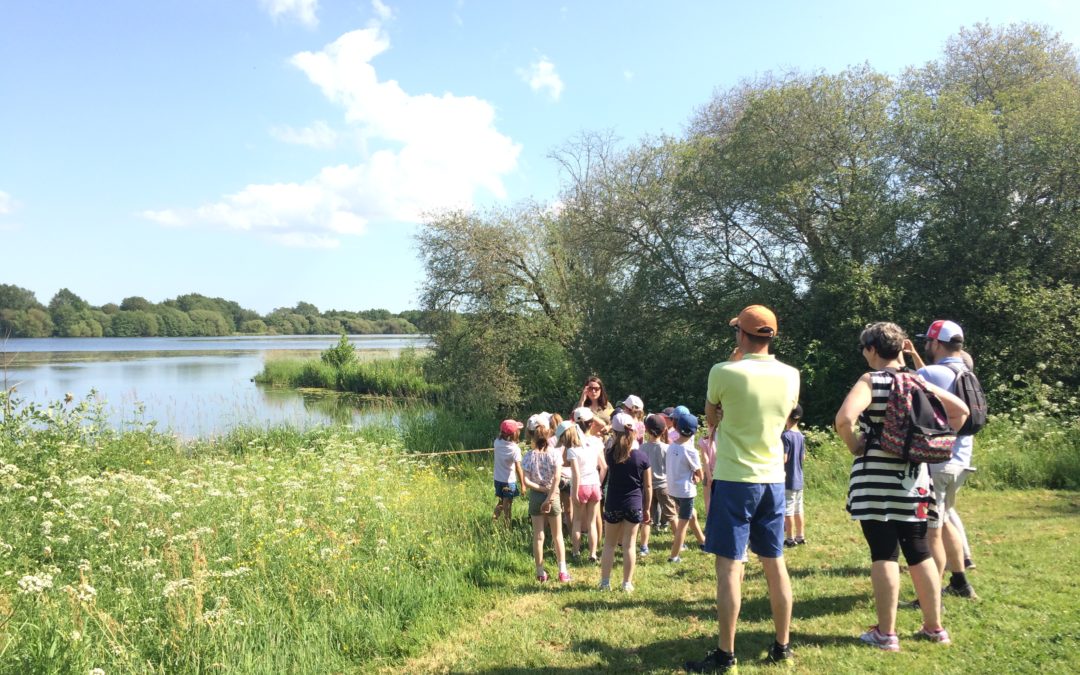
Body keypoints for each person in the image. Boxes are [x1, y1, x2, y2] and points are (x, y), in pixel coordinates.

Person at [836, 321, 970, 653]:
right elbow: (961, 412)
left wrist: (856, 445)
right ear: (900, 348)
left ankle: (886, 633)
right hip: (915, 480)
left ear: (871, 349)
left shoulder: (871, 380)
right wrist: (933, 438)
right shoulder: (917, 381)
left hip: (875, 482)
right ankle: (934, 627)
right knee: (919, 551)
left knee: (883, 553)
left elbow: (844, 419)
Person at [689, 305, 799, 672]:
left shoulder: (723, 371)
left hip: (736, 479)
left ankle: (725, 654)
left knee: (730, 568)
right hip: (773, 479)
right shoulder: (791, 375)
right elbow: (784, 420)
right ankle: (782, 646)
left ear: (741, 335)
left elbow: (710, 417)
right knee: (775, 564)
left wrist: (734, 361)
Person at [905, 319, 978, 598]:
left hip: (937, 461)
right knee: (945, 519)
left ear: (936, 343)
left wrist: (901, 356)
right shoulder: (966, 372)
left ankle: (930, 597)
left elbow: (903, 379)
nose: (926, 344)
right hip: (961, 460)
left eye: (928, 341)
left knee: (929, 530)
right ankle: (960, 582)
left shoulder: (933, 373)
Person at [598, 412, 652, 592]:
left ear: (614, 431)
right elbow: (648, 487)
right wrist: (647, 508)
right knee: (629, 545)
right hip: (634, 505)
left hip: (613, 503)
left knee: (609, 544)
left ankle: (605, 583)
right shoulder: (642, 457)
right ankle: (627, 583)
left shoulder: (609, 454)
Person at [522, 423, 571, 583]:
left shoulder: (529, 456)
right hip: (553, 495)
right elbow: (557, 477)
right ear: (549, 436)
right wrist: (549, 494)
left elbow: (526, 481)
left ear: (534, 437)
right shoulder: (554, 454)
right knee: (558, 535)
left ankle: (540, 572)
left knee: (538, 535)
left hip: (536, 496)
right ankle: (562, 571)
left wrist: (541, 490)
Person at [666, 412, 706, 563]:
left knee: (692, 515)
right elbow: (700, 474)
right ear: (694, 431)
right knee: (682, 524)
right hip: (686, 492)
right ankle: (674, 556)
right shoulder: (691, 451)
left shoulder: (671, 447)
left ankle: (703, 542)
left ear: (676, 428)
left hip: (673, 490)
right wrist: (697, 476)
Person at [569, 407, 607, 562]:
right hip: (594, 484)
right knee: (592, 522)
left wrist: (574, 492)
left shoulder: (573, 446)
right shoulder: (597, 442)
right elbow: (604, 467)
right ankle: (593, 554)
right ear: (591, 424)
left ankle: (576, 552)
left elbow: (576, 473)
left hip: (580, 486)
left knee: (577, 521)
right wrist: (599, 483)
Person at [638, 413, 676, 556]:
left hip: (647, 487)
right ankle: (680, 541)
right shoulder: (668, 449)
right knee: (672, 515)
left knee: (647, 518)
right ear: (664, 430)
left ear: (647, 430)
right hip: (664, 486)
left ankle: (644, 546)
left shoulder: (642, 448)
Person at [493, 419, 526, 527]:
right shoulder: (515, 449)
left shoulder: (496, 443)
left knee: (501, 502)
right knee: (508, 507)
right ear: (514, 434)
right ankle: (507, 528)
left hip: (498, 480)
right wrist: (523, 485)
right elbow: (518, 468)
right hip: (509, 482)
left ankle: (494, 519)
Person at [782, 404, 807, 547]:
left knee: (788, 510)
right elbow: (803, 457)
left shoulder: (785, 436)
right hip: (799, 479)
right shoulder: (800, 436)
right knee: (799, 509)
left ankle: (790, 539)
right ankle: (800, 536)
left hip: (788, 480)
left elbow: (783, 458)